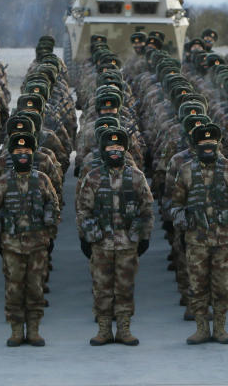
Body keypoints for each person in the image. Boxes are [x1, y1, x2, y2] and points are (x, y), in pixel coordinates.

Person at [76, 128, 154, 346]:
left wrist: (142, 237)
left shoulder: (137, 177)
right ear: (103, 151)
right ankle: (103, 330)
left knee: (125, 288)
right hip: (101, 244)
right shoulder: (93, 178)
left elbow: (146, 209)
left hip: (128, 244)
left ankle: (124, 329)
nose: (115, 151)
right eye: (110, 148)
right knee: (102, 289)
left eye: (119, 148)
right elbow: (83, 210)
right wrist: (88, 237)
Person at [170, 123, 228, 344]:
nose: (208, 147)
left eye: (212, 143)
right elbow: (176, 203)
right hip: (196, 240)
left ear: (218, 144)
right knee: (198, 286)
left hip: (223, 240)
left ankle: (220, 328)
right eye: (203, 143)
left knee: (222, 286)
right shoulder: (186, 170)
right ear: (196, 146)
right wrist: (182, 228)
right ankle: (202, 328)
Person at [0, 133, 60, 347]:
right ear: (11, 155)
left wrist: (49, 235)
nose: (23, 155)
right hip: (11, 246)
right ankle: (16, 330)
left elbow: (53, 208)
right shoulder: (3, 182)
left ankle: (34, 330)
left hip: (37, 246)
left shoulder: (42, 180)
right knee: (14, 290)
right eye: (18, 152)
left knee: (36, 288)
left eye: (27, 152)